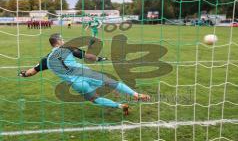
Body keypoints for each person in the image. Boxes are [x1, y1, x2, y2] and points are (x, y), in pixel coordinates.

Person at [19, 33, 150, 115]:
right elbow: (88, 57)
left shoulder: (46, 60)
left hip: (77, 84)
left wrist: (23, 74)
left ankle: (120, 106)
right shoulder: (68, 48)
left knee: (95, 99)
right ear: (58, 42)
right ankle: (136, 95)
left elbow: (32, 72)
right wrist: (99, 58)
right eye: (62, 39)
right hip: (87, 73)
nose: (64, 41)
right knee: (112, 83)